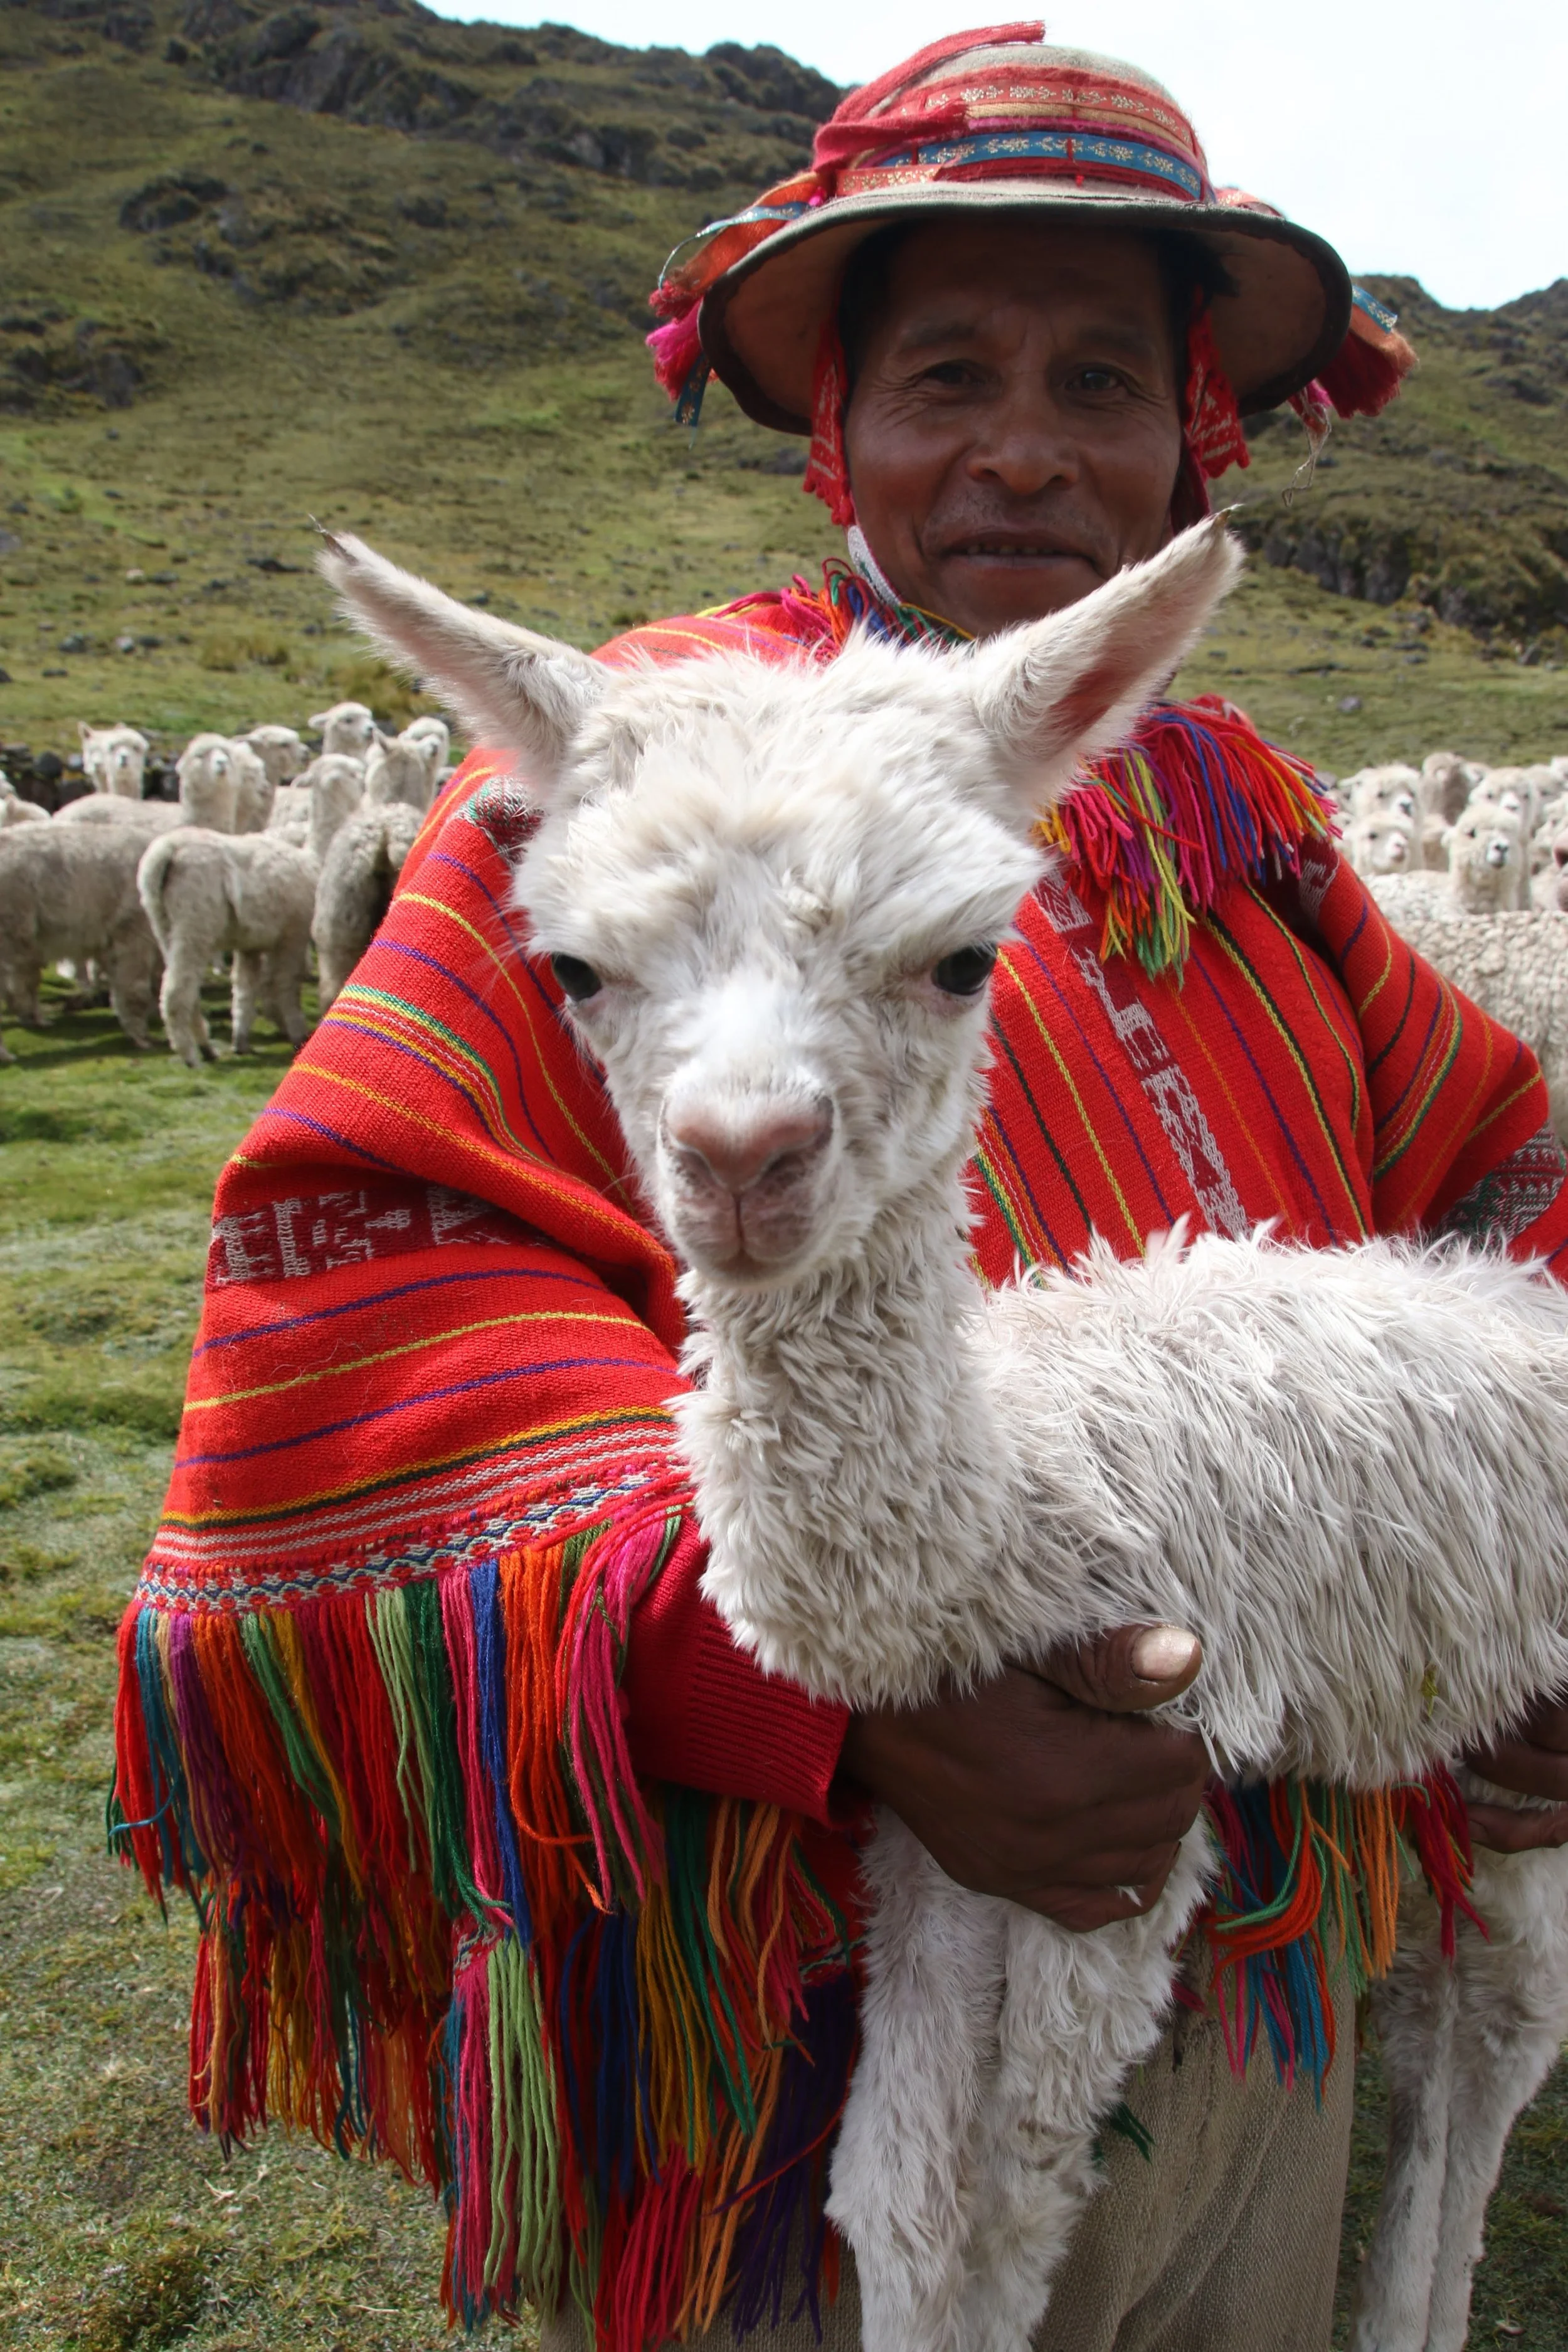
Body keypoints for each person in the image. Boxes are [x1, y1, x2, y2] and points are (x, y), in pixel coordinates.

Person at [112, 27, 1568, 2352]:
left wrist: (1523, 1573)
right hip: (801, 1990)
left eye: (1099, 375)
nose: (1020, 443)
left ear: (1191, 428)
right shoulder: (651, 774)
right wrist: (841, 1699)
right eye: (946, 374)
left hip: (1267, 1943)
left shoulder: (1241, 829)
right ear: (838, 426)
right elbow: (377, 1293)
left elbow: (1499, 1179)